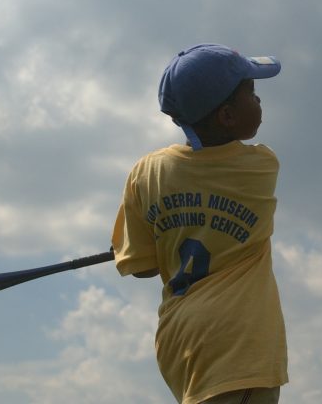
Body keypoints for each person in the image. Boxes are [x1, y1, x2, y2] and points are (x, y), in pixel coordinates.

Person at [111, 43, 288, 404]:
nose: (259, 103)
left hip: (178, 339)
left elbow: (142, 267)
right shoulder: (261, 166)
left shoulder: (146, 173)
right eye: (251, 94)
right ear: (226, 116)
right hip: (237, 344)